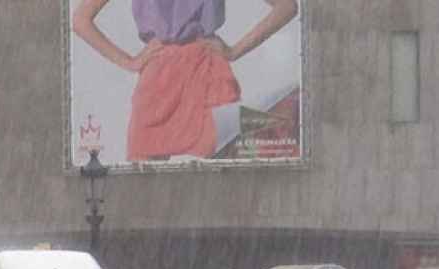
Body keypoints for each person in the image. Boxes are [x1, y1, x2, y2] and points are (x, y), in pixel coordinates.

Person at [72, 0, 299, 161]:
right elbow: (80, 21)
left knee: (212, 183)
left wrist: (234, 51)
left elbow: (287, 6)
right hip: (161, 84)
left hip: (204, 75)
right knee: (143, 185)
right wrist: (130, 61)